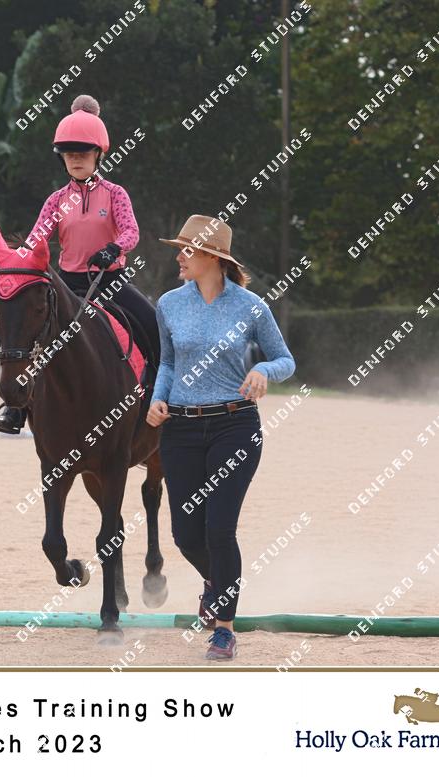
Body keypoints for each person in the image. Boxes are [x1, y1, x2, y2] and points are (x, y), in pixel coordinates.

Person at [145, 215, 295, 660]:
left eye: (187, 250)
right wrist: (157, 398)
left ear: (212, 257)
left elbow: (285, 360)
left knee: (219, 529)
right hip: (180, 429)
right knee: (185, 534)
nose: (179, 257)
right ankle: (217, 582)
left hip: (235, 426)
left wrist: (262, 369)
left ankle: (224, 630)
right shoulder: (169, 304)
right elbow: (167, 363)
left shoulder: (251, 306)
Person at [0, 94, 159, 434]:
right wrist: (17, 265)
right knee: (30, 334)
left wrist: (114, 249)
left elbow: (131, 231)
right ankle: (16, 408)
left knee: (153, 325)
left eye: (83, 152)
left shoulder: (115, 194)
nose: (76, 159)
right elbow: (36, 240)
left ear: (99, 154)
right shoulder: (56, 200)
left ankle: (158, 396)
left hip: (110, 282)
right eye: (70, 154)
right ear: (62, 158)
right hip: (67, 285)